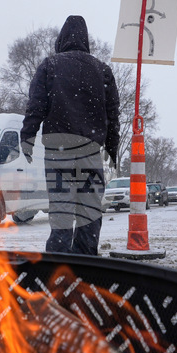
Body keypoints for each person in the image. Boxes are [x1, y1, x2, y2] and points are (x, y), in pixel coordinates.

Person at [21, 15, 119, 255]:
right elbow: (113, 114)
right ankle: (86, 260)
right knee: (89, 207)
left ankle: (59, 262)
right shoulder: (102, 70)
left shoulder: (50, 66)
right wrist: (111, 149)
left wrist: (28, 137)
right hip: (89, 149)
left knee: (62, 207)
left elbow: (36, 105)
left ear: (61, 39)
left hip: (58, 148)